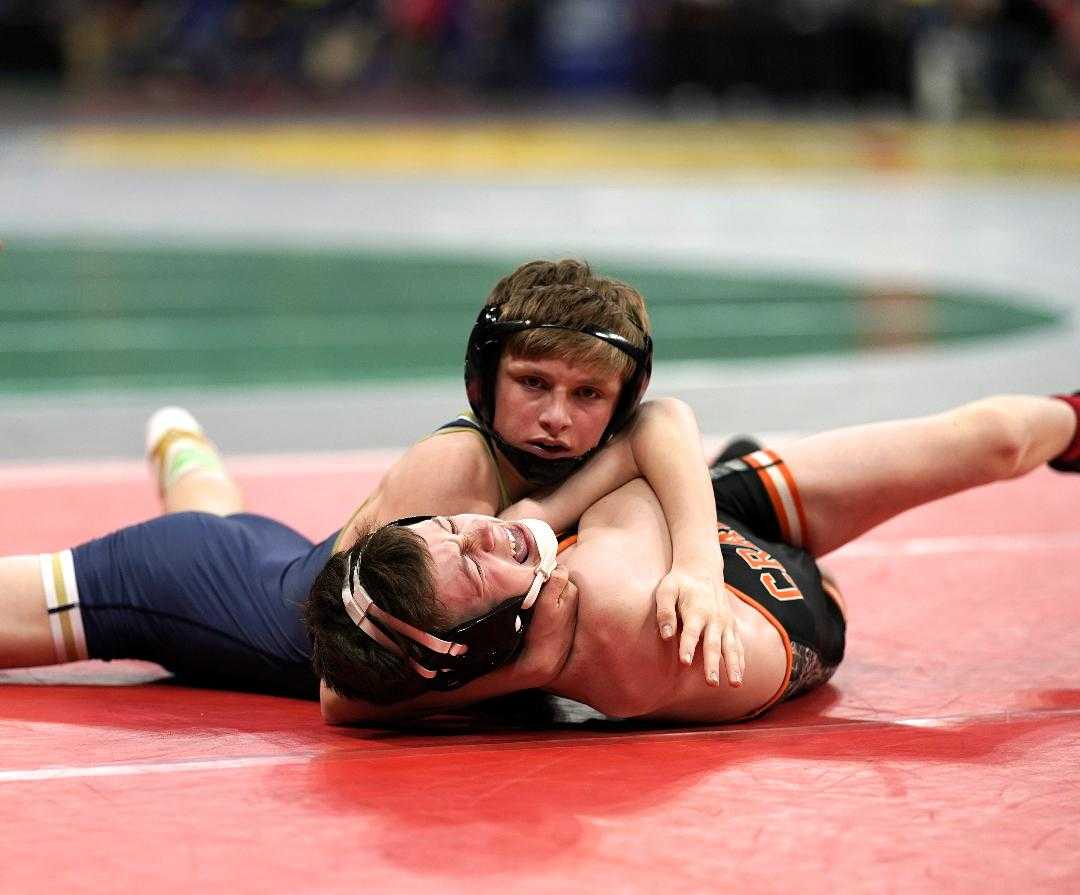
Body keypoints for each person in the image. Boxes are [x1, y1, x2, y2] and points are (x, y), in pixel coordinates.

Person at [0, 260, 743, 695]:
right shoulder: (456, 471)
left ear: (621, 401)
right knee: (200, 540)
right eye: (532, 382)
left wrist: (697, 568)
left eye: (587, 395)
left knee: (225, 526)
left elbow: (667, 422)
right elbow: (348, 686)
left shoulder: (612, 437)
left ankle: (183, 451)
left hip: (268, 557)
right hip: (190, 590)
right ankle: (183, 458)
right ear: (485, 380)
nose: (556, 417)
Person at [310, 392, 1080, 725]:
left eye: (451, 526)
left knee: (997, 441)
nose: (485, 532)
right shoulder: (608, 599)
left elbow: (343, 703)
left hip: (695, 549)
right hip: (785, 599)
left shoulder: (468, 652)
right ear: (481, 636)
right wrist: (693, 567)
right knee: (997, 442)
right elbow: (658, 422)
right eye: (475, 565)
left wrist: (688, 562)